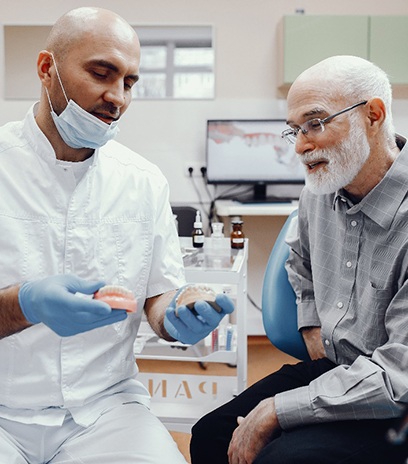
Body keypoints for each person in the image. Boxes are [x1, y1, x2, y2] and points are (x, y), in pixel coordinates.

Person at [0, 7, 234, 463]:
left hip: (106, 410)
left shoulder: (143, 181)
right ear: (47, 69)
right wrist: (24, 304)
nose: (117, 97)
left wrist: (178, 313)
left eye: (129, 82)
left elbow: (158, 297)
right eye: (101, 73)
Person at [190, 55, 408, 464]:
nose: (302, 146)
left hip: (393, 396)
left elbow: (399, 377)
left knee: (282, 459)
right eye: (295, 130)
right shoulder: (318, 193)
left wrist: (278, 410)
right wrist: (310, 320)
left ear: (373, 115)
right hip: (335, 367)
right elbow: (299, 258)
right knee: (210, 437)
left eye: (316, 123)